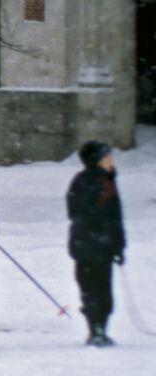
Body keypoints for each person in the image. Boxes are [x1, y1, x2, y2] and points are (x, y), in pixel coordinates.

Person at [68, 140, 126, 347]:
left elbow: (116, 218)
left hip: (101, 247)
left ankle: (100, 327)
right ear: (96, 160)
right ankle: (96, 329)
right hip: (89, 246)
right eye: (107, 156)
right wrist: (102, 235)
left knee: (101, 291)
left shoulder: (107, 181)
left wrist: (118, 245)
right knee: (93, 289)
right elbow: (79, 213)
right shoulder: (88, 181)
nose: (111, 160)